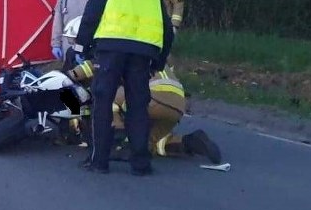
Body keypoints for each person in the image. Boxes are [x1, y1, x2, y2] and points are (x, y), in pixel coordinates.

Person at [76, 0, 173, 175]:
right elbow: (166, 26)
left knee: (102, 101)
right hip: (143, 52)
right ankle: (140, 164)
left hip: (111, 48)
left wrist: (82, 45)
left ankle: (99, 161)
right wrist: (160, 60)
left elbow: (92, 12)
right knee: (138, 105)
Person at [66, 60, 222, 163]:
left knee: (107, 97)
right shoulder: (152, 55)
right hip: (177, 104)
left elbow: (96, 64)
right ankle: (191, 142)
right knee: (149, 145)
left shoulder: (122, 50)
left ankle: (117, 142)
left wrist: (71, 75)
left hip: (153, 97)